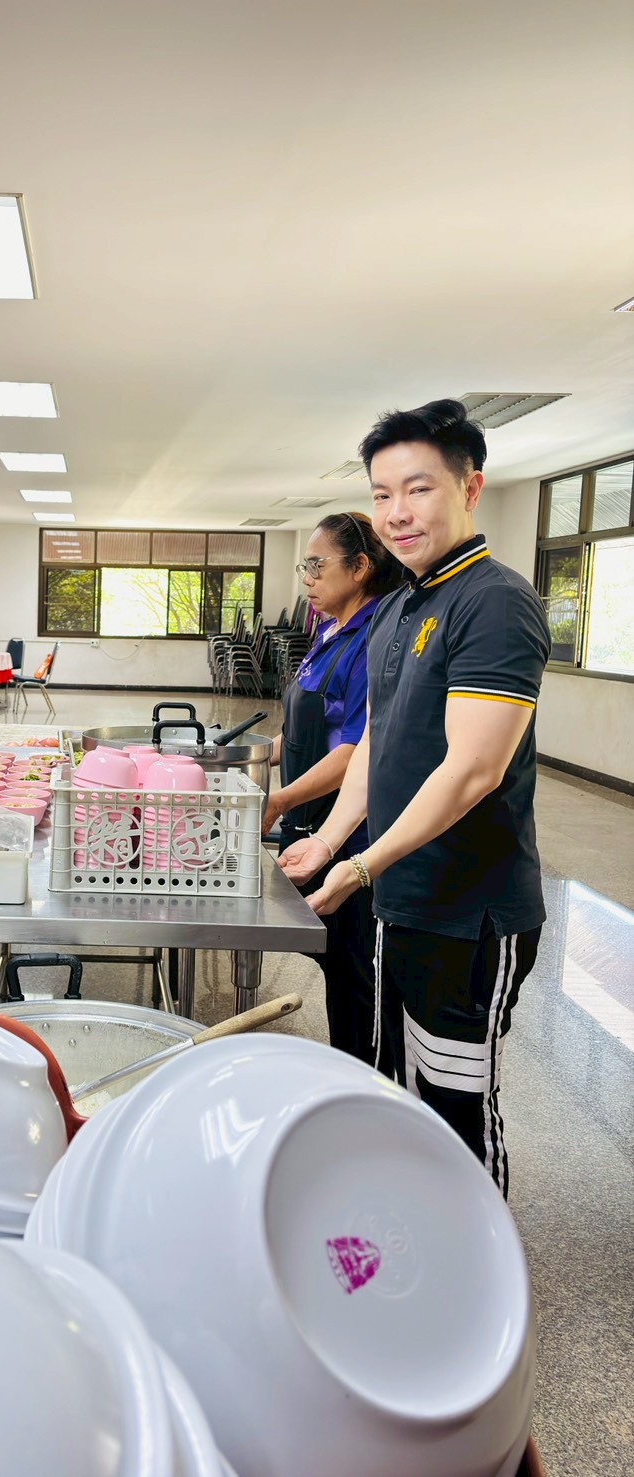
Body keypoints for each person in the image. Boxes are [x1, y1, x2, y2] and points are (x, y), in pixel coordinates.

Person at [279, 399, 550, 1195]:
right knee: (399, 1095)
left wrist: (364, 866)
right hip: (401, 899)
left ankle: (476, 1254)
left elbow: (473, 770)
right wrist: (332, 838)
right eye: (382, 493)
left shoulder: (494, 602)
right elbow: (376, 740)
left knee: (456, 1110)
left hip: (469, 914)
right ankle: (413, 1230)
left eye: (419, 488)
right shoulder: (401, 604)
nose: (397, 512)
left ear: (471, 487)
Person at [264, 511, 401, 1063]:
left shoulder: (372, 640)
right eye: (305, 567)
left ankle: (365, 1079)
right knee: (335, 965)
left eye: (316, 566)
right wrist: (251, 755)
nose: (307, 579)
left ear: (360, 566)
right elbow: (306, 725)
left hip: (351, 833)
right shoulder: (329, 631)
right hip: (312, 824)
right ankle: (347, 1067)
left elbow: (353, 752)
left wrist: (282, 798)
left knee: (357, 973)